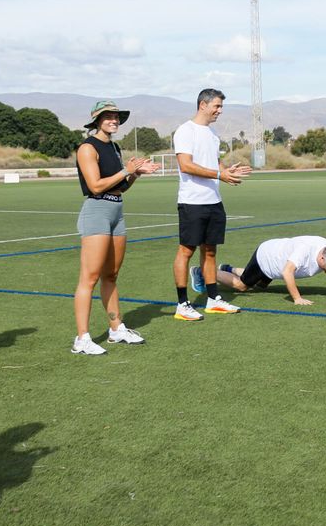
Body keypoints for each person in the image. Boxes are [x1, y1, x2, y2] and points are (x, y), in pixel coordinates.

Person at [72, 100, 160, 354]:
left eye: (116, 117)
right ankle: (82, 338)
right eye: (108, 116)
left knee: (111, 275)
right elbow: (96, 185)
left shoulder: (114, 147)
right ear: (97, 120)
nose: (114, 120)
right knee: (89, 278)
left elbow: (120, 187)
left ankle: (116, 329)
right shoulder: (87, 148)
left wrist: (134, 174)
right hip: (97, 211)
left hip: (116, 210)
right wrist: (126, 170)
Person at [171, 89, 249, 321]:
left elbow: (214, 163)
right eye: (216, 106)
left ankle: (213, 300)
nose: (220, 111)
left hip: (214, 201)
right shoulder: (185, 131)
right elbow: (186, 165)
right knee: (186, 251)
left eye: (221, 106)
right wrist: (219, 174)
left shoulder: (212, 134)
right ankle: (182, 304)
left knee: (210, 251)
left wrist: (226, 172)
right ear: (202, 105)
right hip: (192, 202)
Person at [202, 236, 326, 305]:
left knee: (261, 285)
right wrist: (297, 298)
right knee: (242, 286)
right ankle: (205, 272)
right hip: (266, 258)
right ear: (322, 259)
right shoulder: (303, 251)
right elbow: (287, 273)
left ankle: (228, 269)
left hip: (277, 259)